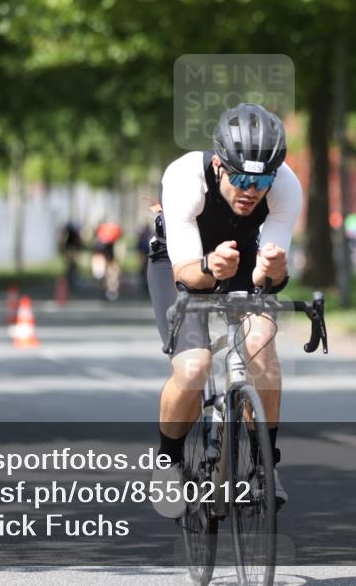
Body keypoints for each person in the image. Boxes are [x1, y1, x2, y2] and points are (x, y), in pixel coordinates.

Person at [146, 103, 302, 518]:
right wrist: (208, 267)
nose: (251, 189)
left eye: (262, 180)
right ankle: (169, 462)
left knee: (262, 345)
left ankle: (265, 466)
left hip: (240, 259)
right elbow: (185, 272)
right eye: (241, 177)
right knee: (194, 367)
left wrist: (274, 270)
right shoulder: (185, 177)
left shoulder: (285, 186)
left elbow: (270, 275)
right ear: (219, 165)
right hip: (181, 262)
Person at [92, 220, 123, 300]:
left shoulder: (109, 235)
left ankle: (110, 289)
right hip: (105, 254)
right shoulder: (104, 235)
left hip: (108, 254)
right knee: (108, 273)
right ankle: (108, 289)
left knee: (111, 272)